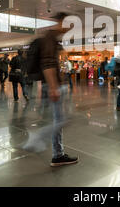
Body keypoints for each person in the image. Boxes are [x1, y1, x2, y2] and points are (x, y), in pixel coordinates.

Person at [25, 12, 78, 167]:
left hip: (54, 85)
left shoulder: (53, 38)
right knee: (62, 120)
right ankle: (39, 139)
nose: (70, 27)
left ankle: (58, 154)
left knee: (60, 120)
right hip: (53, 86)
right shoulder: (50, 38)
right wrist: (54, 87)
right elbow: (47, 64)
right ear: (61, 22)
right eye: (69, 23)